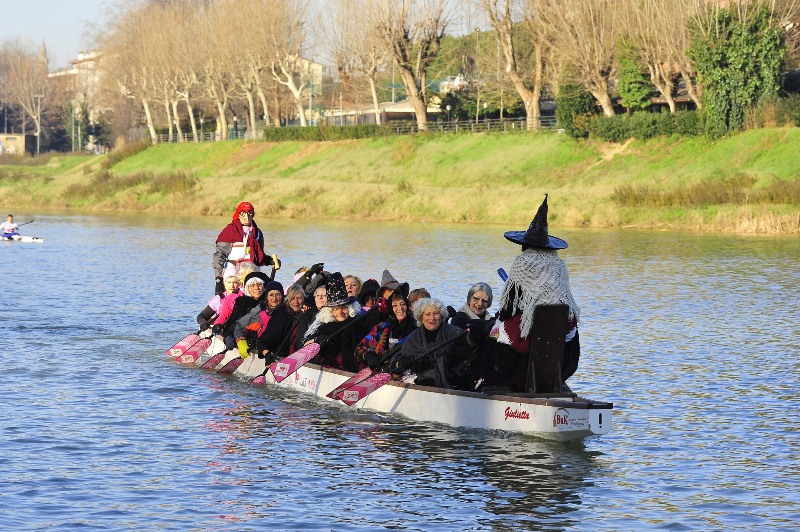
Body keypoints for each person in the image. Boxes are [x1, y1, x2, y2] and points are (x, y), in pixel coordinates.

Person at [482, 194, 581, 393]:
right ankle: (557, 380)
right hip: (560, 322)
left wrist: (500, 320)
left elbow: (510, 304)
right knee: (566, 332)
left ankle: (500, 383)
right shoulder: (560, 265)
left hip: (531, 327)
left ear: (525, 245)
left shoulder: (522, 262)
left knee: (494, 333)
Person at [391, 298, 480, 390]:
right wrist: (402, 362)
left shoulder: (454, 332)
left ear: (441, 316)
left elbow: (470, 344)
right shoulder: (414, 337)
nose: (432, 318)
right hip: (422, 386)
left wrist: (474, 336)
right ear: (421, 317)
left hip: (454, 385)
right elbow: (396, 361)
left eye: (436, 313)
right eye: (427, 314)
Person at [302, 272, 379, 372]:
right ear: (329, 311)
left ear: (350, 308)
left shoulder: (358, 324)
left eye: (343, 308)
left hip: (352, 370)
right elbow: (305, 346)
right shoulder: (323, 326)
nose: (340, 312)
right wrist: (316, 340)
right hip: (327, 370)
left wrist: (368, 354)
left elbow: (365, 344)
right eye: (335, 309)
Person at [213, 201, 279, 295]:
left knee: (267, 287)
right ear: (238, 214)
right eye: (243, 214)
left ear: (253, 215)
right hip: (233, 271)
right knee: (233, 289)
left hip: (252, 270)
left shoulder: (257, 233)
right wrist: (218, 279)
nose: (246, 217)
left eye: (249, 214)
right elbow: (219, 257)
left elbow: (259, 257)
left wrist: (269, 261)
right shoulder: (229, 231)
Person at [354, 290, 416, 371]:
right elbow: (358, 349)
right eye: (395, 305)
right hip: (380, 372)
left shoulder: (415, 329)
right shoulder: (382, 327)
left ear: (407, 306)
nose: (400, 308)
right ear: (390, 308)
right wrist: (368, 355)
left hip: (403, 374)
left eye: (403, 304)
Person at [217, 270, 268, 351]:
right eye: (252, 285)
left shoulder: (270, 302)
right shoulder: (241, 303)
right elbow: (233, 325)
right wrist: (228, 337)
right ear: (247, 288)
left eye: (259, 284)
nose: (256, 288)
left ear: (264, 286)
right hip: (245, 342)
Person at [234, 280, 284, 358]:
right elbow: (240, 326)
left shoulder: (289, 310)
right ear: (267, 297)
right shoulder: (259, 312)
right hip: (264, 351)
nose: (274, 298)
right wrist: (241, 341)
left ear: (282, 296)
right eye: (271, 295)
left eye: (277, 294)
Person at [257, 283, 306, 360]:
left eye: (299, 298)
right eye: (292, 298)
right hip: (281, 356)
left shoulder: (307, 313)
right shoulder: (280, 315)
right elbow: (263, 341)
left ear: (303, 299)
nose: (296, 302)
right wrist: (268, 356)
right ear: (288, 299)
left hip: (301, 356)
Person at [213, 262, 258, 329]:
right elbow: (222, 318)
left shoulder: (262, 296)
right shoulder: (232, 298)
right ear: (241, 281)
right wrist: (217, 326)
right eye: (248, 280)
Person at [197, 264, 239, 331]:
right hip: (221, 330)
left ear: (239, 284)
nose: (232, 286)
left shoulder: (243, 297)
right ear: (224, 284)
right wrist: (203, 322)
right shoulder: (218, 299)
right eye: (229, 282)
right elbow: (201, 316)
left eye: (235, 282)